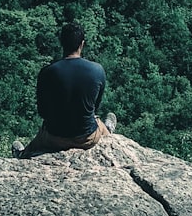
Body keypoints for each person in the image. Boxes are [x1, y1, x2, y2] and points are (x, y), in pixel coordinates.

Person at [12, 23, 116, 158]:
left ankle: (21, 155)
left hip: (54, 139)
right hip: (87, 138)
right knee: (97, 122)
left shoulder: (47, 72)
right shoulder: (97, 70)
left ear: (62, 43)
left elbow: (42, 112)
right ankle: (107, 131)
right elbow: (94, 108)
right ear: (82, 44)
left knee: (37, 139)